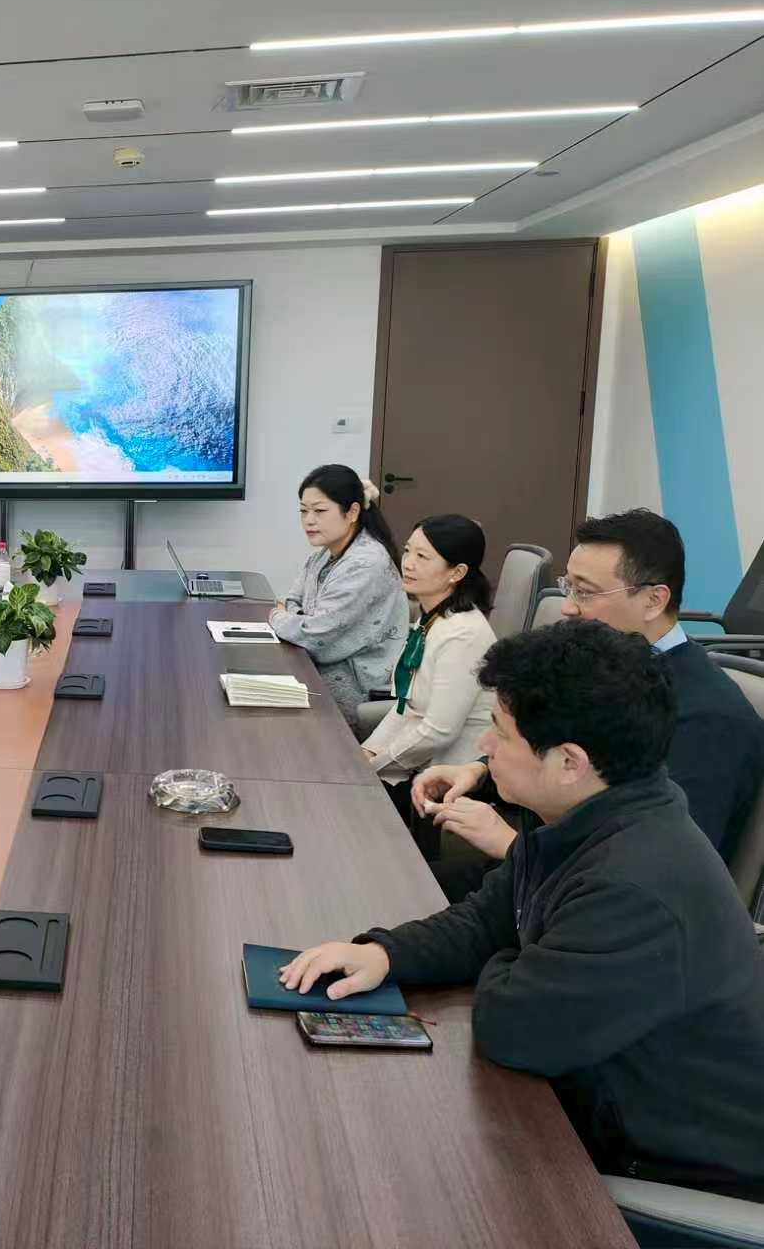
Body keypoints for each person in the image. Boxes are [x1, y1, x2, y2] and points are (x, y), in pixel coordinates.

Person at [282, 620, 764, 1199]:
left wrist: (517, 954)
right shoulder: (587, 818)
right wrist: (385, 954)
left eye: (500, 732)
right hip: (590, 1105)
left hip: (670, 1175)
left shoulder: (635, 886)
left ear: (569, 761)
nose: (484, 747)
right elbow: (487, 918)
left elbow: (512, 1027)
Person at [413, 509, 764, 883]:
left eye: (585, 592)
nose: (568, 607)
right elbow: (549, 743)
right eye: (568, 587)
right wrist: (480, 769)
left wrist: (509, 844)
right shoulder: (604, 671)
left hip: (582, 896)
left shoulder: (709, 718)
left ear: (653, 600)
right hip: (533, 870)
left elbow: (664, 867)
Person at [363, 515, 497, 828]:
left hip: (447, 776)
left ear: (457, 572)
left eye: (422, 556)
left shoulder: (463, 634)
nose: (408, 563)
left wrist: (375, 765)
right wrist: (367, 752)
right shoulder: (433, 617)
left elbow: (439, 730)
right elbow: (406, 706)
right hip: (418, 760)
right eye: (407, 551)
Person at [269, 464, 410, 730]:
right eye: (303, 511)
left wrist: (279, 617)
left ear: (352, 512)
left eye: (320, 511)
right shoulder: (326, 552)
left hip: (350, 688)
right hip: (317, 668)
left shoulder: (365, 562)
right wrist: (299, 618)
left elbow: (315, 637)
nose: (309, 520)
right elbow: (293, 599)